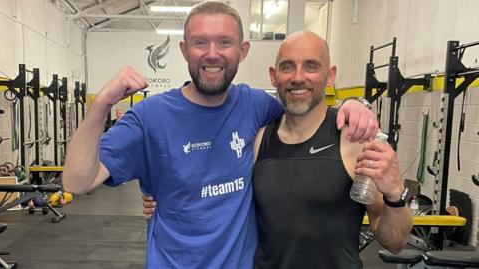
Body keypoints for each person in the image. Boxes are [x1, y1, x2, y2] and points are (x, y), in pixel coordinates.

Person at [63, 2, 379, 268]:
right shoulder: (149, 117)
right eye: (201, 43)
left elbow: (304, 105)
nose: (212, 54)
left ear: (242, 51)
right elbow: (77, 182)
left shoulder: (256, 106)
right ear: (185, 50)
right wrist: (101, 104)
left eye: (224, 43)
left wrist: (354, 106)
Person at [142, 30, 413, 268]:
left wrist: (394, 196)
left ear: (330, 76)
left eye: (310, 66)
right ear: (274, 76)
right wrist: (166, 197)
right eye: (287, 67)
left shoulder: (354, 139)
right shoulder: (259, 138)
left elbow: (395, 242)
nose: (297, 77)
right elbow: (216, 182)